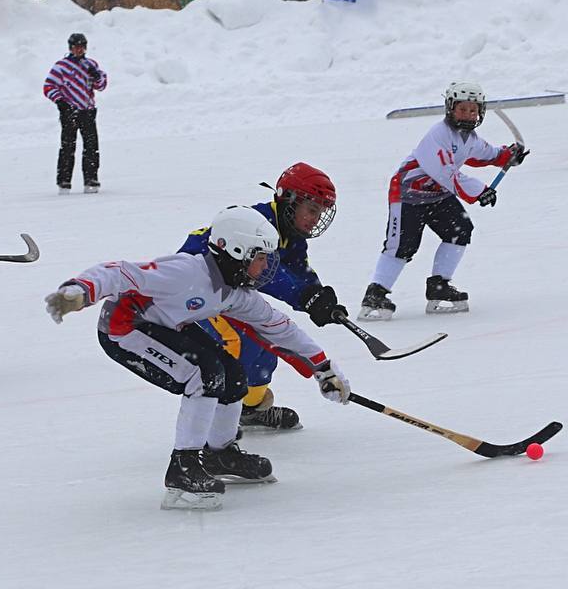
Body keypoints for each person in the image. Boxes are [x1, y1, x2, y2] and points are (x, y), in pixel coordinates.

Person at [44, 205, 351, 511]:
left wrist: (323, 369)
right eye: (259, 258)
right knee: (204, 374)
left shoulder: (234, 292)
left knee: (233, 374)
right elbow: (119, 272)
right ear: (235, 251)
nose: (266, 268)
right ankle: (183, 469)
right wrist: (80, 291)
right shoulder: (186, 271)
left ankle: (220, 453)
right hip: (124, 329)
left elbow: (278, 327)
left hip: (167, 326)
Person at [178, 163, 343, 432]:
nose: (316, 218)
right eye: (312, 209)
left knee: (262, 356)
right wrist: (305, 296)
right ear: (289, 201)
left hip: (230, 293)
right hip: (198, 292)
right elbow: (268, 274)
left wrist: (320, 297)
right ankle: (213, 417)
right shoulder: (258, 225)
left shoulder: (291, 233)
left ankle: (250, 409)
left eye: (320, 212)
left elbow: (298, 270)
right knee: (235, 346)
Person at [359, 80, 527, 321]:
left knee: (460, 229)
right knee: (402, 246)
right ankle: (375, 294)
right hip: (408, 193)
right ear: (450, 108)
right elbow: (448, 173)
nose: (468, 114)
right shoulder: (438, 136)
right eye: (462, 109)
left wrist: (508, 155)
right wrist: (480, 191)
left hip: (437, 194)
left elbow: (486, 154)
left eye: (473, 109)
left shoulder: (469, 138)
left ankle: (439, 285)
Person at [44, 32, 108, 194]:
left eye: (82, 47)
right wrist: (61, 102)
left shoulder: (90, 64)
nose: (79, 50)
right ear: (70, 48)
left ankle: (91, 178)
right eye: (76, 47)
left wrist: (97, 76)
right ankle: (64, 181)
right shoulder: (61, 66)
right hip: (69, 111)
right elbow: (49, 87)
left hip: (87, 111)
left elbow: (101, 86)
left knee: (91, 146)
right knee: (67, 147)